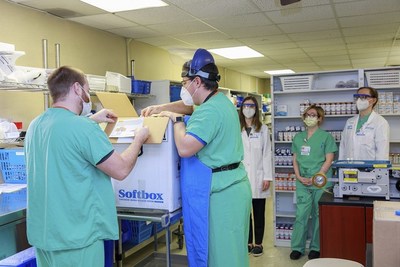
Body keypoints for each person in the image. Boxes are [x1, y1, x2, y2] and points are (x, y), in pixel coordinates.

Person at [24, 66, 149, 267]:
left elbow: (64, 139)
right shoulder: (84, 129)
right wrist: (139, 139)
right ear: (76, 88)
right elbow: (121, 169)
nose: (88, 95)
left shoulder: (36, 125)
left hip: (45, 238)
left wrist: (92, 120)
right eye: (87, 90)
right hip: (77, 238)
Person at [142, 48, 252, 267]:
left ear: (198, 82)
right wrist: (160, 108)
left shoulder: (208, 112)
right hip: (234, 187)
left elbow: (185, 148)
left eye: (184, 83)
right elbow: (189, 106)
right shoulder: (221, 102)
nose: (184, 87)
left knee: (220, 256)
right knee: (233, 251)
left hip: (221, 193)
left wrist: (177, 121)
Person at [290, 104, 337, 260]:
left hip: (320, 181)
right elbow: (295, 159)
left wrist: (316, 176)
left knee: (319, 215)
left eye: (313, 115)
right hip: (302, 181)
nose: (309, 117)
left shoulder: (326, 137)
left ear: (320, 118)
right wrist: (298, 176)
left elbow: (329, 159)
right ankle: (297, 247)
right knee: (301, 215)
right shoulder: (298, 137)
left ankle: (316, 247)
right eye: (307, 114)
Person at [238, 96, 272, 257]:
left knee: (258, 213)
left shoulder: (263, 129)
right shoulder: (236, 128)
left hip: (259, 177)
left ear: (256, 108)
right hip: (241, 178)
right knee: (244, 213)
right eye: (245, 105)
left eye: (251, 105)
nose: (248, 108)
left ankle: (258, 243)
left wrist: (267, 177)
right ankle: (247, 242)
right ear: (241, 108)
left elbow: (267, 154)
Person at [339, 86, 390, 160]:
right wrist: (341, 166)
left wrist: (378, 171)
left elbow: (382, 153)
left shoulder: (380, 122)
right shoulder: (350, 122)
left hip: (369, 170)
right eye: (357, 97)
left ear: (373, 100)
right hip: (348, 168)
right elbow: (343, 147)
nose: (359, 100)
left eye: (364, 97)